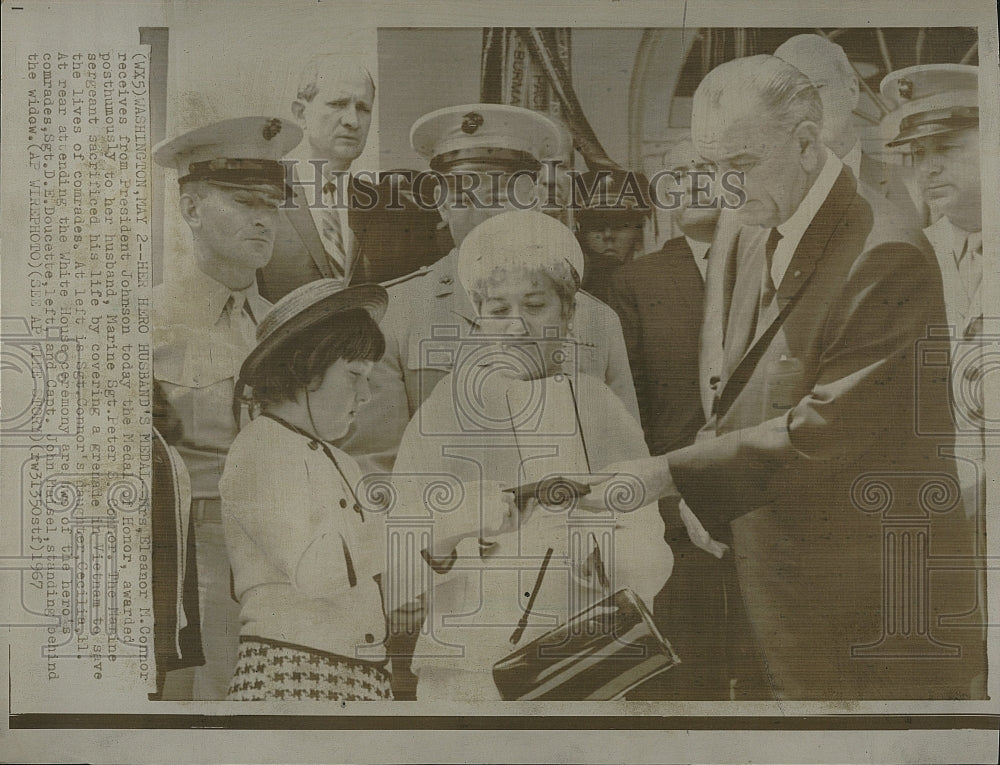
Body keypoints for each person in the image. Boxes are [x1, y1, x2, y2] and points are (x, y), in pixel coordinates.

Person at [582, 55, 983, 700]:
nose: (723, 191)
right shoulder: (746, 224)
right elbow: (726, 379)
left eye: (739, 167)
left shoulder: (887, 252)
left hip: (871, 613)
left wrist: (670, 474)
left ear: (804, 142)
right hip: (767, 583)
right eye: (711, 169)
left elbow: (825, 432)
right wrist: (701, 492)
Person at [391, 211, 673, 701]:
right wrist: (454, 528)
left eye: (536, 305)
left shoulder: (597, 405)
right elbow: (397, 553)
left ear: (568, 314)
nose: (516, 325)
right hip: (469, 658)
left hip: (581, 654)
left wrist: (607, 550)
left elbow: (648, 538)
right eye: (498, 309)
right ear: (479, 316)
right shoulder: (444, 409)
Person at [220, 279, 515, 700]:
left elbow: (370, 587)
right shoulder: (260, 446)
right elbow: (318, 570)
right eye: (355, 374)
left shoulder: (342, 462)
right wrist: (444, 518)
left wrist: (450, 541)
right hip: (291, 676)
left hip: (362, 678)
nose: (366, 393)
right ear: (305, 366)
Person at [340, 104, 639, 477]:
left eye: (501, 195)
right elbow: (374, 465)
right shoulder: (394, 316)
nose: (485, 213)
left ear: (533, 201)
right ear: (443, 207)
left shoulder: (595, 318)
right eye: (465, 197)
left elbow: (625, 466)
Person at [607, 138, 765, 700]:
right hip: (673, 521)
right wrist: (673, 500)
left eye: (706, 168)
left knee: (767, 679)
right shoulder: (634, 284)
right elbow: (629, 415)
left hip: (763, 510)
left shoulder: (771, 264)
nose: (694, 181)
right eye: (677, 173)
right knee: (685, 683)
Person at [152, 115, 301, 699]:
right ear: (191, 209)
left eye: (272, 202)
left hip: (283, 567)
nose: (264, 218)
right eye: (243, 201)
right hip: (192, 570)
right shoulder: (144, 324)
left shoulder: (284, 327)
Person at [882, 65, 985, 538]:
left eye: (946, 148)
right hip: (937, 514)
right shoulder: (905, 259)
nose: (929, 168)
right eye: (918, 154)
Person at [257, 56, 446, 300]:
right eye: (338, 104)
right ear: (301, 113)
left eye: (363, 108)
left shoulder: (393, 210)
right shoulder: (260, 199)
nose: (352, 121)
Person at [774, 33, 922, 220]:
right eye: (791, 96)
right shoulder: (764, 197)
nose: (807, 106)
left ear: (852, 91)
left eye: (819, 87)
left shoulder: (914, 189)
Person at [573, 168, 650, 303]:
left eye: (620, 224)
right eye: (596, 225)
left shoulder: (654, 289)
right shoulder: (569, 295)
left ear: (639, 234)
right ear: (582, 235)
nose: (608, 235)